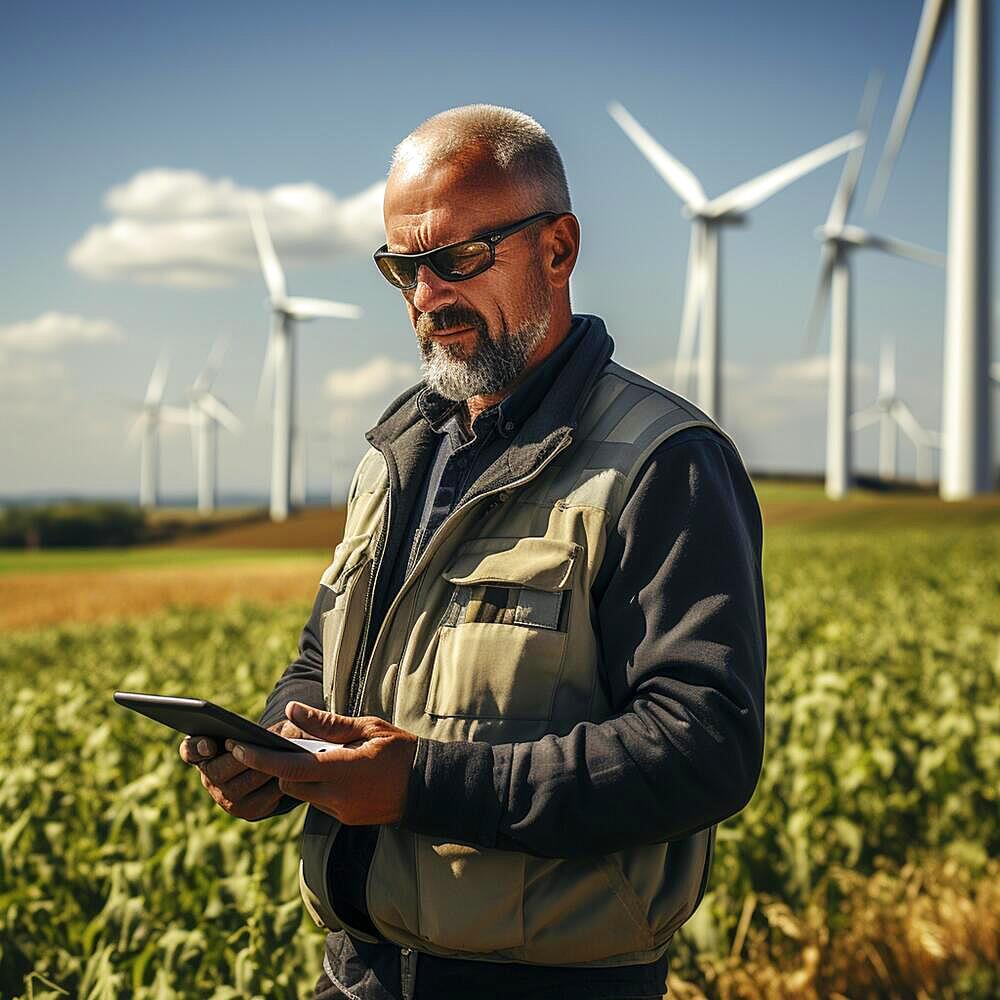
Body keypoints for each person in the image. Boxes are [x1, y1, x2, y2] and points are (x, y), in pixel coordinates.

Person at [180, 104, 766, 1000]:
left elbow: (702, 747)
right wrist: (277, 746)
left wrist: (421, 784)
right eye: (401, 267)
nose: (425, 297)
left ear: (558, 248)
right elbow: (321, 656)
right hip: (359, 971)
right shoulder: (396, 454)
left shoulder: (664, 462)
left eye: (456, 260)